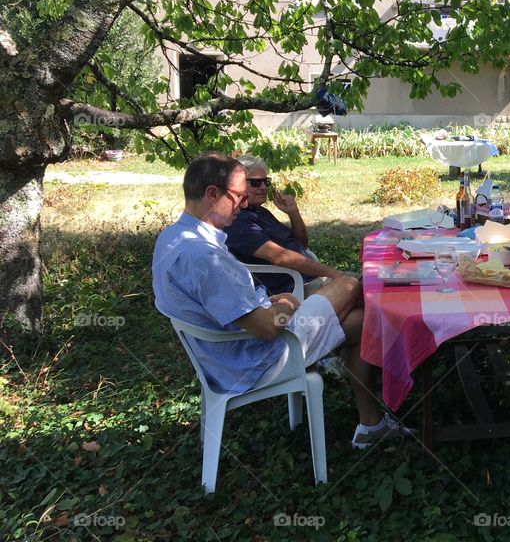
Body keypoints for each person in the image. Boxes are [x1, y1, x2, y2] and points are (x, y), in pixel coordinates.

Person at [153, 151, 411, 449]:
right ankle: (408, 354)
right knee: (351, 285)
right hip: (263, 358)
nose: (246, 203)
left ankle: (371, 425)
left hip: (228, 355)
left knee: (366, 322)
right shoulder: (204, 257)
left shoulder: (173, 238)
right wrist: (286, 303)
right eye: (239, 195)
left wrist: (267, 302)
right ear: (212, 194)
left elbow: (233, 307)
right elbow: (265, 328)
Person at [224, 155, 359, 298]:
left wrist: (294, 213)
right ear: (237, 184)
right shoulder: (238, 221)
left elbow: (301, 244)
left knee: (363, 306)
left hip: (308, 279)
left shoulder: (260, 212)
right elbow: (280, 257)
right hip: (290, 289)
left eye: (266, 181)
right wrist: (335, 274)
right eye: (256, 183)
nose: (263, 187)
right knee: (363, 292)